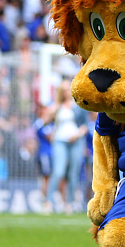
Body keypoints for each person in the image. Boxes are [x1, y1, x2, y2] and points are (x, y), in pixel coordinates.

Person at [44, 81, 89, 214]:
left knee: (73, 173)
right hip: (59, 141)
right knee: (58, 171)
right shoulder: (57, 106)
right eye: (63, 90)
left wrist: (77, 134)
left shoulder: (78, 106)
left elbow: (85, 125)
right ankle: (49, 201)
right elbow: (45, 121)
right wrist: (54, 109)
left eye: (67, 89)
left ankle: (69, 203)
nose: (66, 92)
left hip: (75, 141)